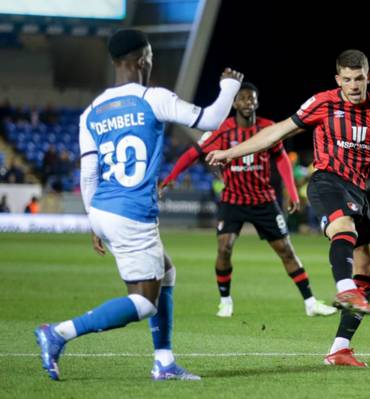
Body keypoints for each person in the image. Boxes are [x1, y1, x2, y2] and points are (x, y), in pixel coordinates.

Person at [207, 49, 370, 367]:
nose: (354, 85)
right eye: (347, 79)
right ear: (338, 79)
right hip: (327, 181)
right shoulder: (322, 103)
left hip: (357, 190)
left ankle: (339, 349)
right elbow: (277, 132)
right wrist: (231, 153)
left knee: (367, 265)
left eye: (359, 79)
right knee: (344, 228)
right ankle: (345, 290)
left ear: (368, 77)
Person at [34, 28, 243, 381]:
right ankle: (58, 333)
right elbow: (210, 120)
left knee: (167, 272)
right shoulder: (153, 97)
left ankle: (164, 361)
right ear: (144, 58)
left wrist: (93, 223)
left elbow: (88, 174)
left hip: (102, 208)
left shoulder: (91, 112)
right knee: (145, 301)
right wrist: (230, 86)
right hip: (131, 213)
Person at [160, 82, 336, 318]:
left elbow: (282, 159)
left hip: (264, 200)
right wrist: (170, 178)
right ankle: (225, 301)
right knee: (224, 248)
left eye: (252, 99)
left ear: (257, 102)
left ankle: (310, 302)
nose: (248, 103)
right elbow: (193, 154)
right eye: (243, 99)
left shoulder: (267, 128)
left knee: (286, 250)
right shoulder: (223, 130)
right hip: (233, 200)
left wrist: (292, 193)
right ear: (234, 103)